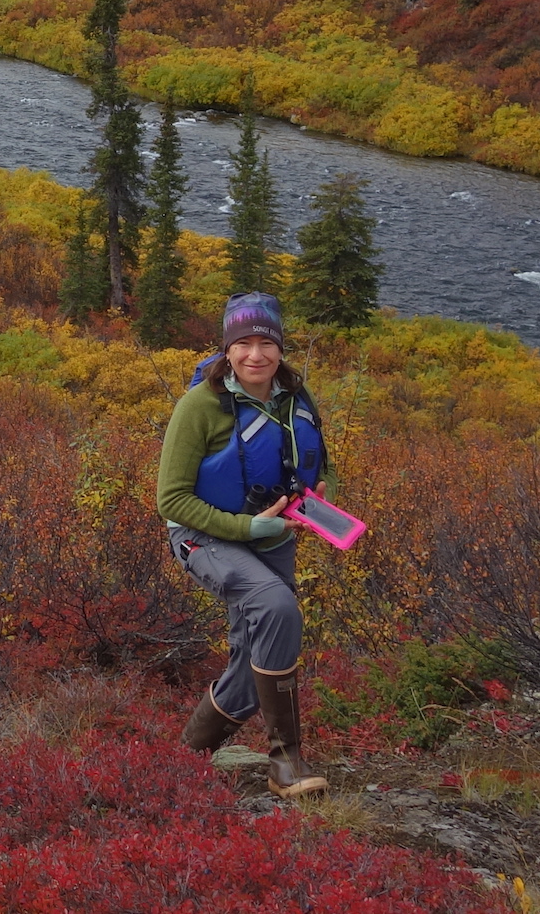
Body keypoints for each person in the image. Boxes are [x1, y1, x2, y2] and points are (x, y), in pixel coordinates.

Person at [155, 291, 331, 797]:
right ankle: (286, 764)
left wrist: (321, 503)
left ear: (281, 348)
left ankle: (184, 758)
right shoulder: (199, 406)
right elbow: (171, 499)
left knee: (256, 649)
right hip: (203, 535)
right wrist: (248, 529)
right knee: (277, 609)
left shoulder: (296, 397)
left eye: (267, 343)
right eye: (244, 343)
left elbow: (323, 464)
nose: (256, 355)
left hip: (275, 534)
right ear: (227, 349)